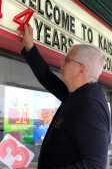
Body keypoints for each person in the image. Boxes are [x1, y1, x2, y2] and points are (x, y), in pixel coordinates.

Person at [21, 24, 111, 169]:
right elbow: (48, 79)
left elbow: (95, 165)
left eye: (67, 60)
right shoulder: (79, 95)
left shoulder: (89, 105)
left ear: (81, 69)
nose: (61, 63)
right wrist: (30, 47)